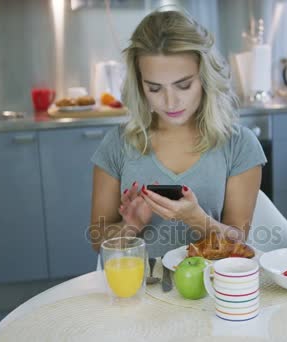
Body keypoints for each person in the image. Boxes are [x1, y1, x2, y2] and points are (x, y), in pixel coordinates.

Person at [89, 9, 266, 257]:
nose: (170, 102)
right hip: (138, 290)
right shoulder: (117, 144)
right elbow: (98, 241)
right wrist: (130, 226)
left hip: (210, 291)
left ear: (205, 78)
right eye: (154, 88)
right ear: (140, 85)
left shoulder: (239, 145)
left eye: (183, 85)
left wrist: (197, 219)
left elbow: (239, 242)